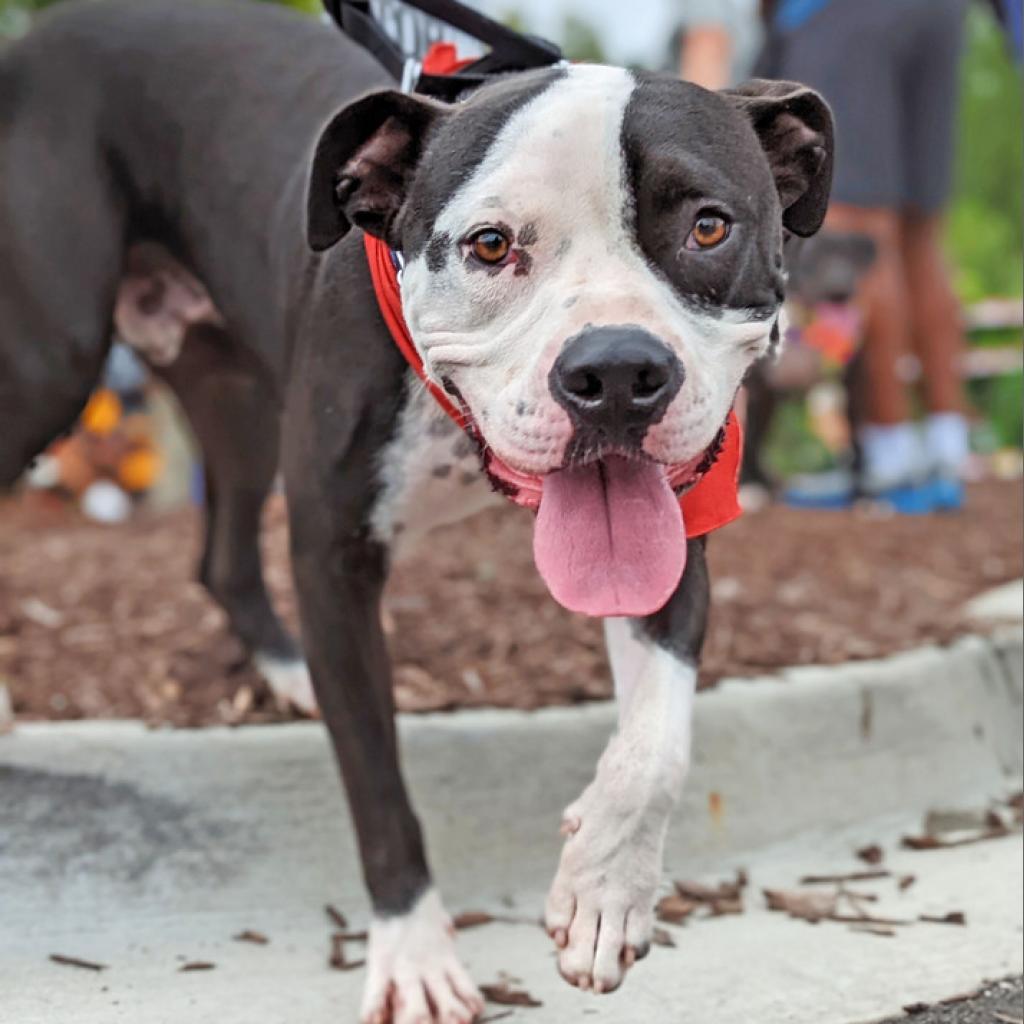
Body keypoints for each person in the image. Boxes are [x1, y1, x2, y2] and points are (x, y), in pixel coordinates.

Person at [761, 0, 973, 512]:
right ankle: (948, 447)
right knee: (919, 235)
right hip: (943, 14)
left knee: (856, 230)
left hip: (845, 14)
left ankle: (888, 455)